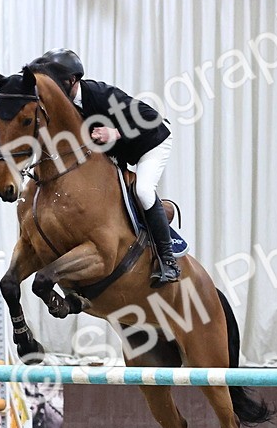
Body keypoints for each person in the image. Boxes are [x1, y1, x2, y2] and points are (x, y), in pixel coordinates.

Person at [30, 48, 179, 287]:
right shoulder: (65, 106)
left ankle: (168, 261)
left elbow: (149, 120)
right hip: (121, 151)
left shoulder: (101, 95)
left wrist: (116, 132)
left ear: (71, 81)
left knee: (143, 190)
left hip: (151, 140)